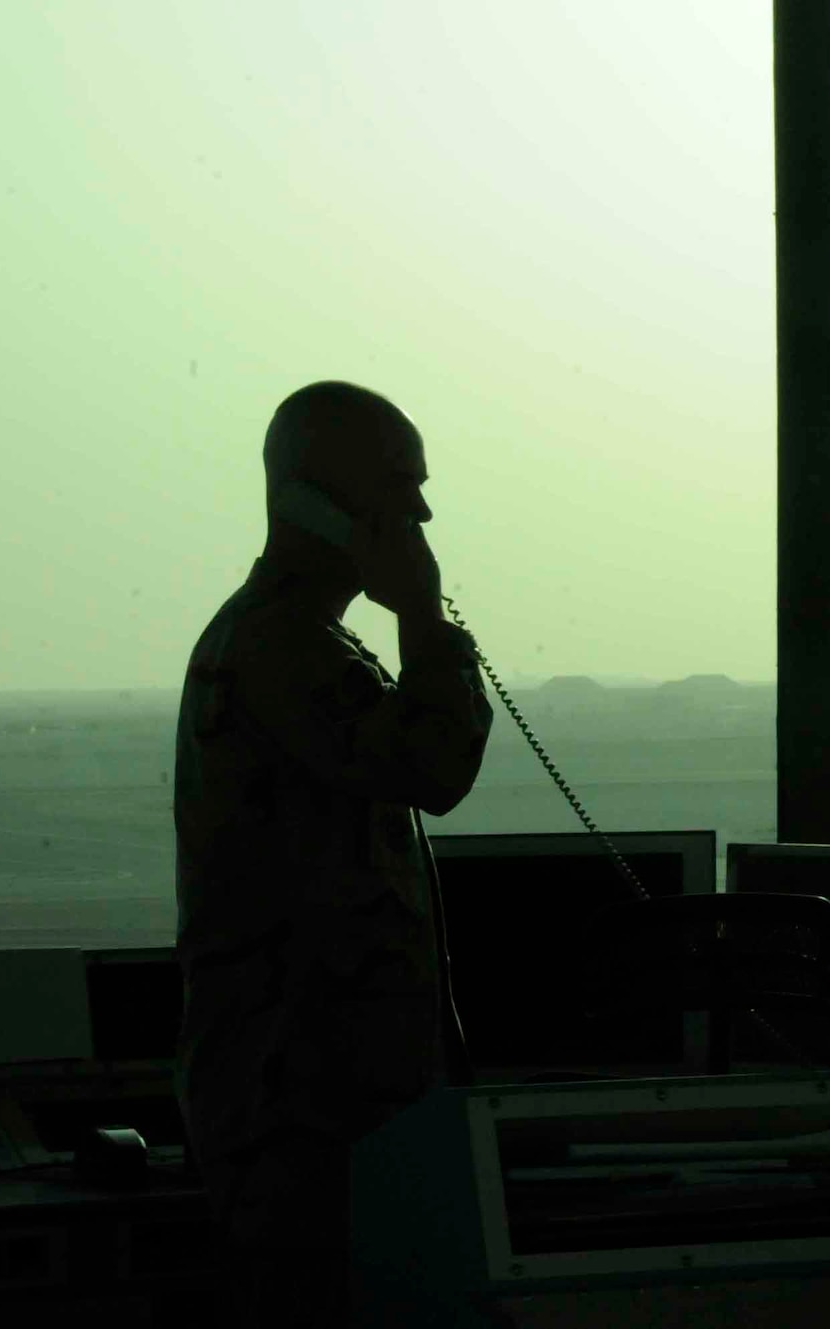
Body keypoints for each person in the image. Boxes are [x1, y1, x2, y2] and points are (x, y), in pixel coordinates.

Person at [172, 381, 493, 1327]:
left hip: (337, 1091)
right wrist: (425, 615)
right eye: (400, 483)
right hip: (300, 1105)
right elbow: (432, 766)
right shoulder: (278, 647)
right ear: (317, 498)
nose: (423, 511)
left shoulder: (311, 642)